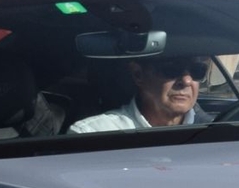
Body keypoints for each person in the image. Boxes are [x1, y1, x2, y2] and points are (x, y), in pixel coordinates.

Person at [70, 53, 209, 134]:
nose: (186, 80)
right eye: (171, 69)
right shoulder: (93, 133)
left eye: (197, 71)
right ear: (138, 75)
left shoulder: (218, 133)